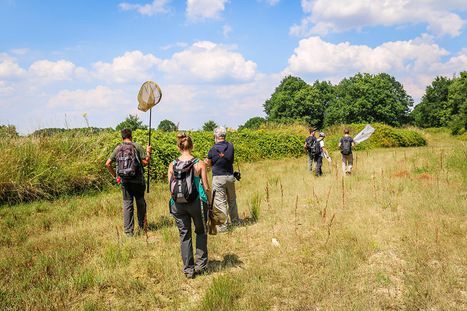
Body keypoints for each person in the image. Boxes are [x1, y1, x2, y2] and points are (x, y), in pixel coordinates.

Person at [168, 133, 212, 279]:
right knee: (201, 231)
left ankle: (188, 270)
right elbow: (206, 187)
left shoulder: (172, 164)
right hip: (197, 203)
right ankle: (201, 266)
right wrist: (210, 204)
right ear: (192, 147)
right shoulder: (199, 163)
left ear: (178, 147)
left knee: (184, 235)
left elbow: (170, 186)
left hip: (177, 204)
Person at [105, 128, 152, 237]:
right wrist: (148, 151)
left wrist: (116, 176)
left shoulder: (118, 148)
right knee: (140, 201)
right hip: (138, 180)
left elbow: (108, 164)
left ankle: (128, 232)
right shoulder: (137, 146)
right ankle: (142, 227)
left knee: (127, 203)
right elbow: (146, 162)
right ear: (131, 136)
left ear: (122, 137)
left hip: (124, 181)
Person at [204, 126, 241, 233]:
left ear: (216, 136)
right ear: (225, 135)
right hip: (230, 176)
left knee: (220, 202)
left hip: (218, 177)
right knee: (232, 200)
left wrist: (207, 162)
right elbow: (229, 159)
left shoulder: (212, 149)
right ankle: (235, 221)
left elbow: (209, 163)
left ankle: (224, 226)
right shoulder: (230, 146)